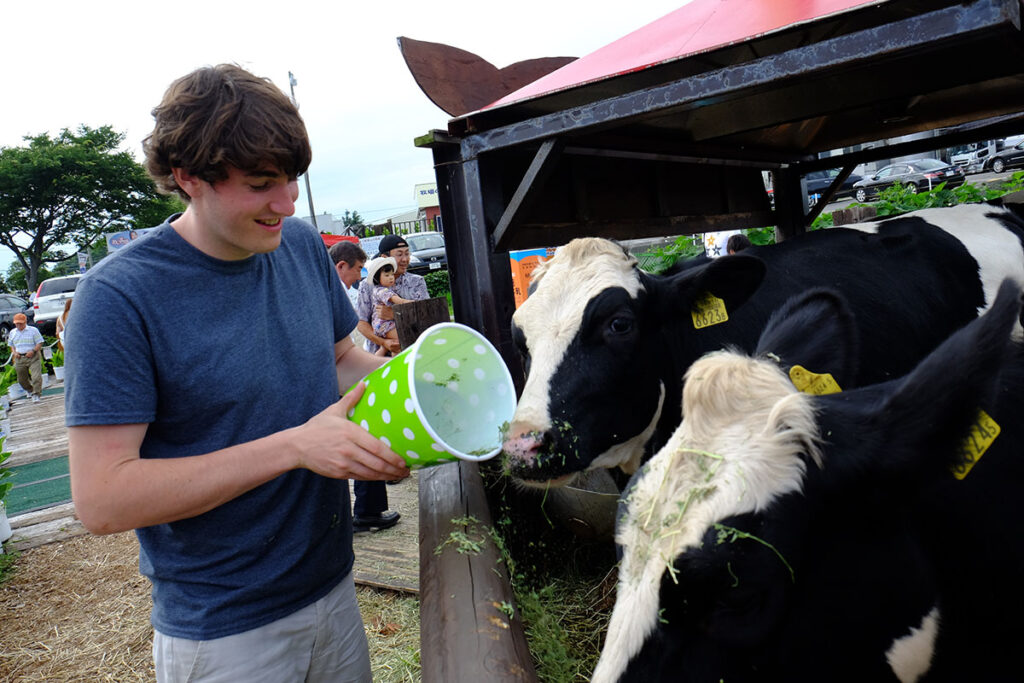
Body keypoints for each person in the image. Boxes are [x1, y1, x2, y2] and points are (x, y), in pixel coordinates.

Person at [64, 64, 409, 683]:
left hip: (332, 586)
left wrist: (412, 383)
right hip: (225, 630)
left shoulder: (300, 246)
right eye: (260, 184)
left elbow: (336, 362)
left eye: (291, 180)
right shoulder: (118, 298)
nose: (287, 203)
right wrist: (295, 448)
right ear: (187, 177)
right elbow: (103, 499)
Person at [328, 241, 402, 533]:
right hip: (348, 378)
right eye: (358, 269)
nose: (360, 276)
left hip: (355, 371)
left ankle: (365, 511)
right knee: (362, 434)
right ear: (341, 266)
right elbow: (353, 341)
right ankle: (366, 512)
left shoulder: (345, 291)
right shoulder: (339, 293)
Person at [355, 234, 428, 355]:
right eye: (399, 255)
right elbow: (361, 323)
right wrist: (384, 343)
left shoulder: (417, 282)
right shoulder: (367, 285)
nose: (405, 259)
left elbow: (428, 315)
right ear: (384, 257)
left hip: (413, 352)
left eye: (407, 253)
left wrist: (396, 313)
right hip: (377, 355)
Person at [364, 257, 416, 357]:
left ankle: (380, 360)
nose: (391, 277)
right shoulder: (382, 291)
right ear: (377, 278)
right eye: (387, 275)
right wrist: (410, 303)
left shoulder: (382, 289)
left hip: (382, 325)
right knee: (402, 338)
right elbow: (397, 300)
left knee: (393, 344)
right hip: (384, 325)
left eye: (392, 274)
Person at [8, 312, 43, 403]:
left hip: (33, 356)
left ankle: (36, 394)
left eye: (20, 323)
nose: (18, 325)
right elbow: (11, 345)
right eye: (17, 323)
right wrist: (14, 352)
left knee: (36, 377)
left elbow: (39, 342)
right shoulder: (12, 332)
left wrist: (33, 351)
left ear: (25, 322)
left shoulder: (33, 330)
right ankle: (30, 390)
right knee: (21, 379)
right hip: (20, 357)